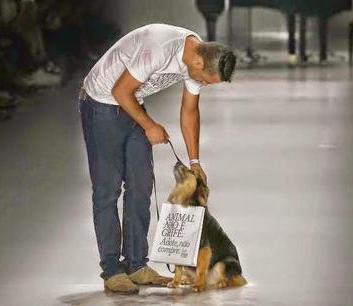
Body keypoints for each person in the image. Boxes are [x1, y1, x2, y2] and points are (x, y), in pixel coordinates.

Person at [78, 23, 236, 295]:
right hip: (102, 103)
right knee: (107, 190)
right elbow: (120, 91)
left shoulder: (198, 55)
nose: (204, 85)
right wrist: (149, 125)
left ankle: (137, 264)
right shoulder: (159, 48)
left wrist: (195, 162)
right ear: (198, 62)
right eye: (206, 80)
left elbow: (190, 111)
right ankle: (112, 270)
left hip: (132, 102)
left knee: (140, 185)